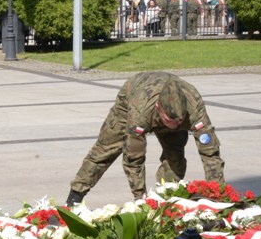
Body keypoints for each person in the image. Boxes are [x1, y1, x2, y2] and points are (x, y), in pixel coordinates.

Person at [65, 72, 225, 205]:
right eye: (170, 120)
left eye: (179, 120)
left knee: (175, 158)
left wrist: (218, 195)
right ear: (158, 109)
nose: (175, 125)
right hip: (131, 97)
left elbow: (210, 154)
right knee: (105, 151)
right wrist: (139, 197)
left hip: (169, 107)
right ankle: (74, 198)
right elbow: (133, 159)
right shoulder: (140, 112)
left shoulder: (194, 106)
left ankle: (165, 199)